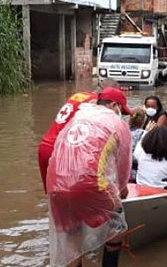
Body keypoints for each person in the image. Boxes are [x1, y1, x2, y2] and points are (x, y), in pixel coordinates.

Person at [46, 87, 132, 267]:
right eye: (121, 110)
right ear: (113, 105)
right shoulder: (118, 125)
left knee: (72, 236)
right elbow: (123, 171)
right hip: (90, 183)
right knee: (116, 226)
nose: (121, 115)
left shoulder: (77, 118)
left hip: (55, 185)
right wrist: (121, 193)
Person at [37, 79, 127, 193]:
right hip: (59, 152)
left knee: (53, 197)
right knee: (68, 196)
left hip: (45, 146)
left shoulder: (79, 95)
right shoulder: (94, 102)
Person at [128, 108, 147, 182]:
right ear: (143, 121)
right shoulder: (143, 133)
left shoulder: (125, 130)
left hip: (126, 169)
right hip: (137, 171)